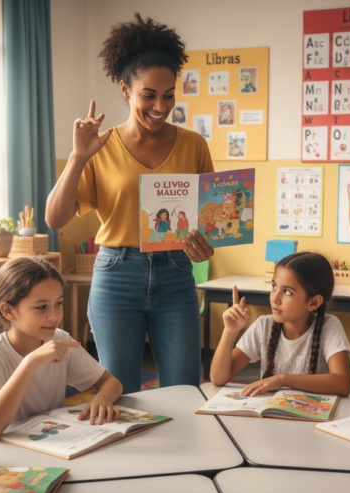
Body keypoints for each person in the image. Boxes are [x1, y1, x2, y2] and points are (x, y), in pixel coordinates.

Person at [45, 13, 214, 393]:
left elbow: (208, 221)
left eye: (169, 94)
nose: (160, 106)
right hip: (116, 273)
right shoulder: (99, 147)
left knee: (185, 392)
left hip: (175, 273)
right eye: (148, 95)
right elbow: (55, 218)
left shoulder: (194, 146)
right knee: (118, 394)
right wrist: (77, 157)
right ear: (125, 90)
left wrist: (204, 248)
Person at [0, 256, 123, 439]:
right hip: (9, 455)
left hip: (53, 442)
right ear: (8, 311)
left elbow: (111, 382)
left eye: (58, 303)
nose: (54, 316)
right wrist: (30, 362)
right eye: (41, 307)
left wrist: (103, 398)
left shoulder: (60, 340)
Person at [210, 252, 350, 396]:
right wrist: (230, 332)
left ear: (313, 302)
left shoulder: (329, 326)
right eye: (274, 286)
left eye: (287, 291)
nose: (275, 298)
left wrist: (283, 379)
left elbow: (343, 383)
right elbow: (217, 378)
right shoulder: (263, 326)